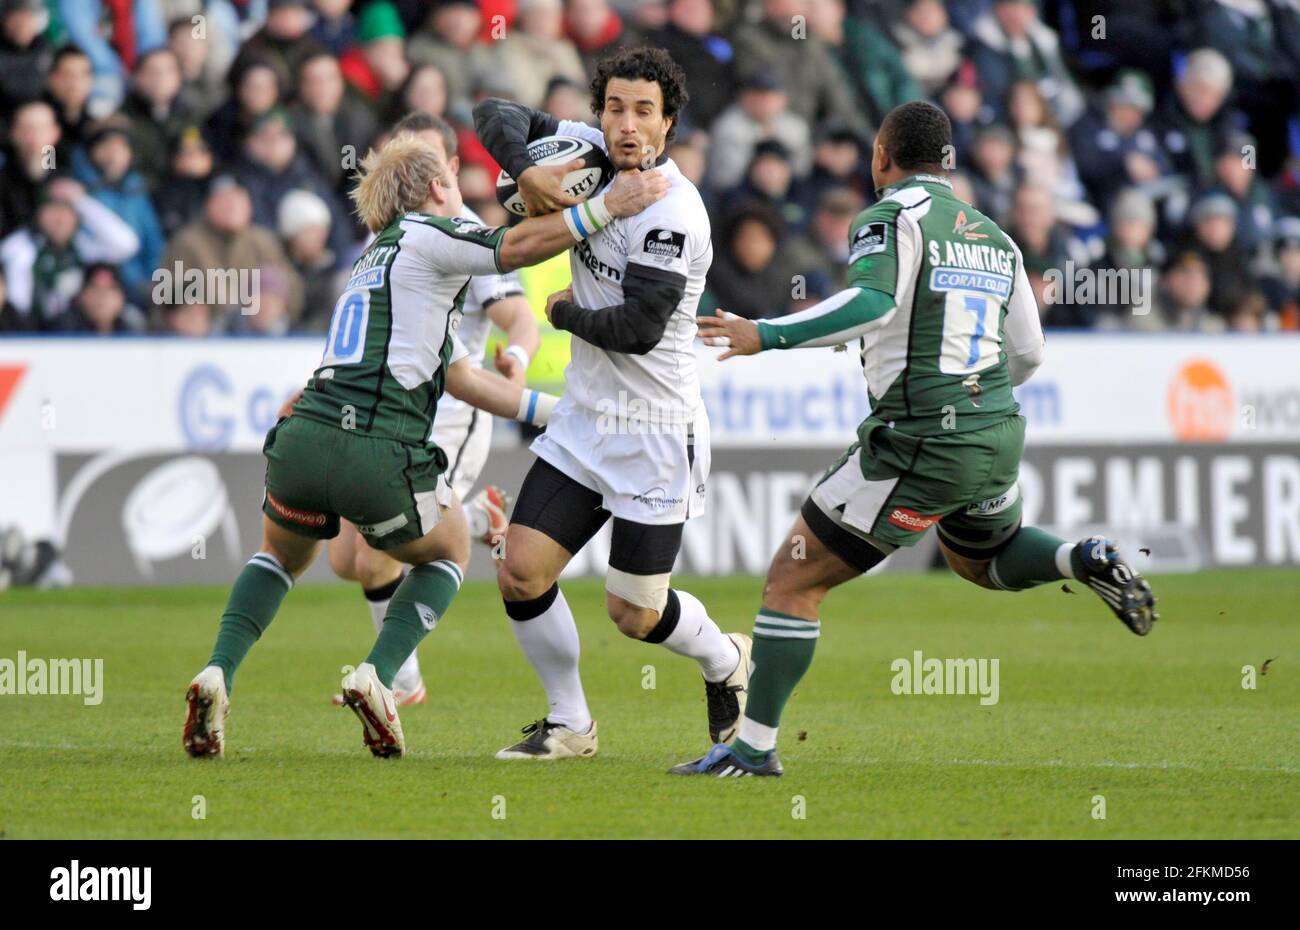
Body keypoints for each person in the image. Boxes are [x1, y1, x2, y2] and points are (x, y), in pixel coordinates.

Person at [675, 101, 1158, 778]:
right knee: (981, 561)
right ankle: (1084, 555)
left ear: (882, 155)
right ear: (949, 160)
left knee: (791, 581)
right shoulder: (995, 236)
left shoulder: (889, 217)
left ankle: (752, 750)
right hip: (994, 433)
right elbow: (1030, 352)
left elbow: (873, 303)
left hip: (920, 440)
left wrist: (768, 333)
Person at [182, 129, 668, 760]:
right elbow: (515, 246)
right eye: (450, 177)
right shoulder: (429, 233)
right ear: (439, 186)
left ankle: (218, 671)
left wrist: (564, 413)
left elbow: (462, 376)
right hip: (374, 447)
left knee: (280, 557)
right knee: (450, 551)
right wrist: (608, 206)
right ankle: (381, 676)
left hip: (302, 438)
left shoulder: (371, 263)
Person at [473, 46, 749, 761]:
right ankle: (570, 724)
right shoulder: (587, 151)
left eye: (644, 112)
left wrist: (562, 313)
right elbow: (492, 113)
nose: (627, 125)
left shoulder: (674, 212)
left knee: (634, 613)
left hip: (657, 432)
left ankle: (725, 660)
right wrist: (530, 172)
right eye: (615, 107)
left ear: (670, 122)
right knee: (521, 571)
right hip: (585, 421)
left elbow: (636, 329)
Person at [324, 111, 543, 708]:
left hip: (450, 412)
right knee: (346, 557)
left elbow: (518, 317)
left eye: (424, 162)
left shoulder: (463, 231)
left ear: (449, 169)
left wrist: (517, 359)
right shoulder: (385, 231)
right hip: (382, 415)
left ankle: (395, 681)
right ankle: (477, 518)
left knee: (378, 551)